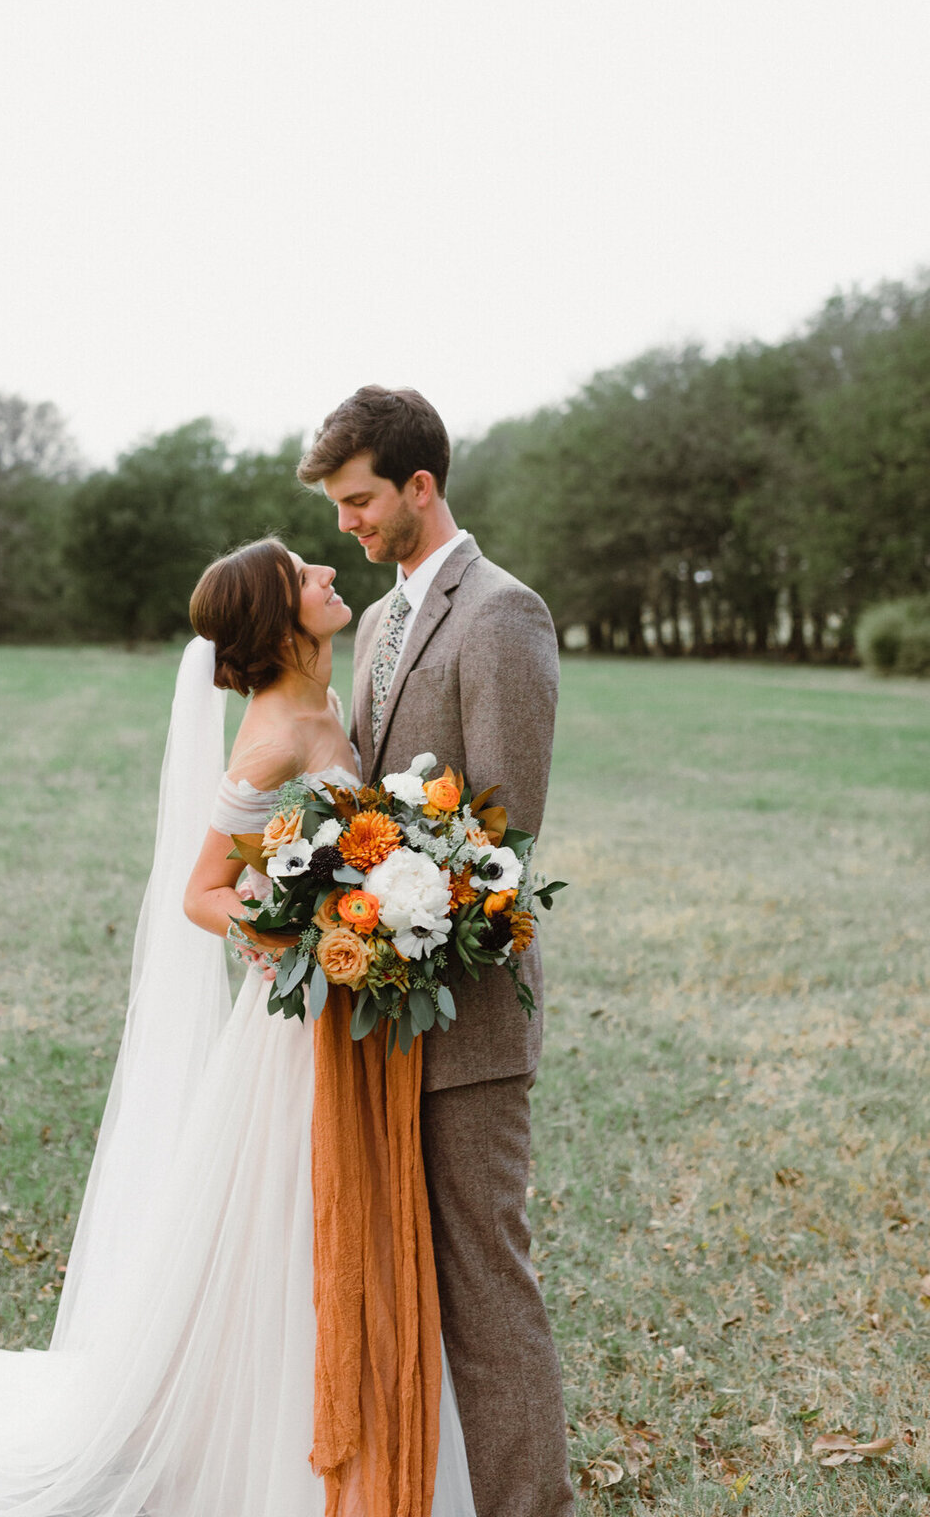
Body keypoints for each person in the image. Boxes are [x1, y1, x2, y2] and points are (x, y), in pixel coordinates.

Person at [0, 537, 477, 1517]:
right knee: (298, 1223)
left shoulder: (321, 700)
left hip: (353, 1005)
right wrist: (311, 927)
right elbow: (202, 892)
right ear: (280, 613)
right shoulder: (270, 732)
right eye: (308, 574)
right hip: (303, 1022)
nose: (327, 576)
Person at [298, 386, 576, 1517]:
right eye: (337, 506)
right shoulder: (376, 623)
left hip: (468, 1018)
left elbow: (506, 830)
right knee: (405, 1275)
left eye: (360, 500)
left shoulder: (503, 613)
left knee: (485, 1283)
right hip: (382, 1014)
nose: (347, 525)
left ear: (421, 485)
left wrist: (400, 908)